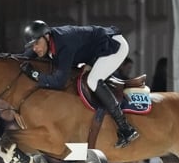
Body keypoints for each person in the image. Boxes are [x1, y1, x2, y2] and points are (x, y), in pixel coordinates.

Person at [19, 20, 139, 148]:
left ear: (47, 36)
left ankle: (126, 128)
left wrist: (34, 74)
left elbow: (59, 82)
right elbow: (25, 57)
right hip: (95, 50)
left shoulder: (63, 43)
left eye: (37, 43)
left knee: (92, 80)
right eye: (32, 45)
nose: (35, 48)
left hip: (113, 46)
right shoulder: (46, 41)